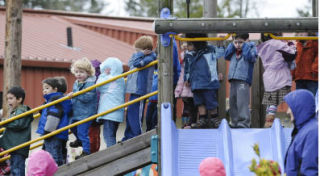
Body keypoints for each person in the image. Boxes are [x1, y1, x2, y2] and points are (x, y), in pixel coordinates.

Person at [184, 33, 225, 129]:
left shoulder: (209, 49)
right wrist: (187, 78)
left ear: (197, 43)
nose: (187, 46)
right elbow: (187, 67)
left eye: (190, 44)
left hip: (208, 82)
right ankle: (202, 119)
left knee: (211, 101)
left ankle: (214, 118)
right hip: (196, 82)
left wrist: (220, 44)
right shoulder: (189, 54)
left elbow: (220, 54)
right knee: (199, 102)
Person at [257, 33, 296, 127]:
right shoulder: (278, 44)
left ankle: (269, 121)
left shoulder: (262, 47)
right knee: (288, 99)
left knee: (271, 101)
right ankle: (293, 118)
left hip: (268, 78)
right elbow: (292, 54)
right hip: (280, 77)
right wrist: (291, 44)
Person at [122, 35, 156, 141]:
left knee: (137, 113)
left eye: (138, 50)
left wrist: (140, 54)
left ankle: (137, 135)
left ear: (145, 50)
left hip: (140, 89)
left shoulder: (150, 57)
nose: (136, 53)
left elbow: (137, 64)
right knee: (130, 112)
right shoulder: (139, 56)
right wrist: (138, 54)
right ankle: (128, 135)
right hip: (134, 89)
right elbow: (131, 63)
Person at [36, 77, 71, 166]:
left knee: (53, 156)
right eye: (43, 88)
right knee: (58, 154)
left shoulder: (55, 101)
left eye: (47, 88)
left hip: (53, 133)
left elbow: (53, 117)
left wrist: (47, 132)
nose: (44, 91)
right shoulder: (56, 100)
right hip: (58, 133)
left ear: (55, 89)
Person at [225, 33, 257, 128]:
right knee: (233, 102)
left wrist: (245, 45)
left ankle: (243, 123)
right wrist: (232, 44)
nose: (238, 45)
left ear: (247, 41)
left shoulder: (251, 48)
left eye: (241, 42)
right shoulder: (233, 50)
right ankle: (234, 122)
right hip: (233, 78)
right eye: (236, 42)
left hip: (243, 79)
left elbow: (250, 57)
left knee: (242, 102)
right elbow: (226, 56)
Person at [68, 57, 98, 159]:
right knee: (72, 125)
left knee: (82, 132)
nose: (78, 74)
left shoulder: (90, 83)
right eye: (76, 72)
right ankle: (80, 140)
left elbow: (88, 97)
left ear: (88, 73)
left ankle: (86, 151)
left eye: (81, 72)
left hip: (86, 113)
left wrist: (75, 94)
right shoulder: (76, 83)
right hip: (77, 112)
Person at [0, 86, 33, 176]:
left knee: (17, 169)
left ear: (19, 99)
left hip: (19, 147)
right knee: (14, 168)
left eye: (11, 98)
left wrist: (4, 122)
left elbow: (18, 124)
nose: (8, 101)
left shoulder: (21, 111)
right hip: (15, 147)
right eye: (7, 99)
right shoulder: (15, 111)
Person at [284, 89, 318, 175]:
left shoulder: (312, 132)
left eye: (290, 107)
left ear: (300, 107)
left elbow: (310, 170)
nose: (287, 111)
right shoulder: (303, 130)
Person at [96, 57, 125, 147]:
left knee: (108, 136)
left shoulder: (108, 78)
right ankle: (113, 150)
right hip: (117, 112)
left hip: (109, 112)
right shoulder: (121, 79)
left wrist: (103, 75)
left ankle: (112, 153)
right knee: (112, 134)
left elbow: (98, 86)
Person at [175, 42, 197, 128]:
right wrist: (178, 91)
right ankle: (187, 123)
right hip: (185, 86)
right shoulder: (183, 60)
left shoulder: (192, 56)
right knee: (187, 106)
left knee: (193, 105)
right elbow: (181, 76)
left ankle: (191, 122)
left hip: (192, 85)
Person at [89, 59, 102, 153]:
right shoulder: (100, 79)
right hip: (95, 111)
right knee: (94, 134)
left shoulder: (93, 81)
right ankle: (93, 150)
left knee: (92, 134)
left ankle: (92, 151)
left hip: (93, 111)